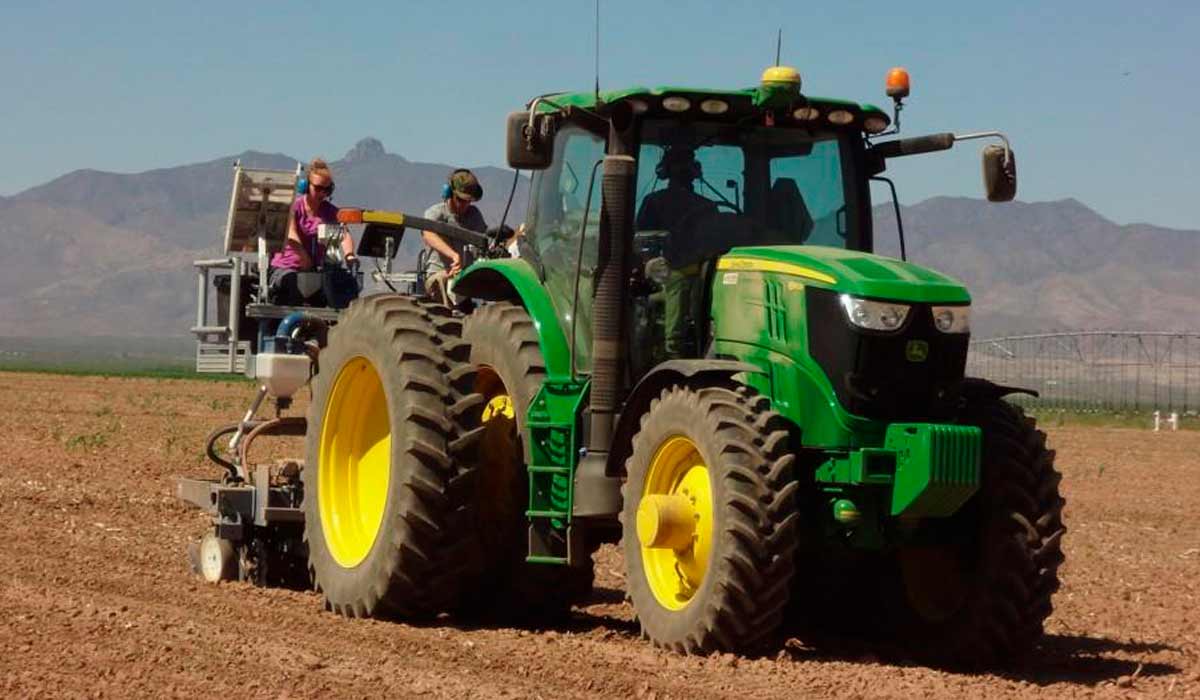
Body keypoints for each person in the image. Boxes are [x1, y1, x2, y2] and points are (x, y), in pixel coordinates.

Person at [636, 147, 718, 358]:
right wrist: (651, 261)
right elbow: (640, 242)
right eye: (678, 166)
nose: (683, 172)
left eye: (686, 167)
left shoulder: (706, 207)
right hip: (665, 271)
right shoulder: (654, 203)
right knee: (677, 280)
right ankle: (673, 349)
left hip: (701, 271)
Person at [268, 158, 359, 308]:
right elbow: (291, 234)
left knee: (342, 289)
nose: (322, 193)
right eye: (317, 188)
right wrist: (304, 257)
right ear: (306, 186)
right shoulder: (294, 207)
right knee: (293, 287)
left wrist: (349, 255)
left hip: (316, 272)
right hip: (287, 268)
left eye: (326, 189)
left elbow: (343, 233)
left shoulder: (331, 211)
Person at [422, 168, 487, 304]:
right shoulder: (436, 213)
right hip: (440, 277)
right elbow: (428, 233)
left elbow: (485, 239)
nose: (465, 205)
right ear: (449, 194)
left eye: (469, 201)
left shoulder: (474, 215)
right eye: (461, 200)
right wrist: (453, 255)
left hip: (465, 283)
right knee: (443, 283)